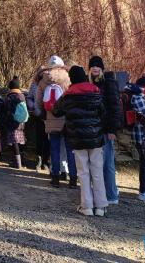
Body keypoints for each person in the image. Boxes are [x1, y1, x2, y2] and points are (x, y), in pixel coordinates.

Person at [53, 65, 108, 216]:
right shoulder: (95, 91)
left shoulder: (68, 95)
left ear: (71, 78)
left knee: (83, 172)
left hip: (77, 138)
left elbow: (56, 111)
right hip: (95, 138)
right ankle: (101, 207)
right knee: (97, 171)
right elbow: (103, 113)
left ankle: (87, 206)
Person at [35, 55, 77, 188]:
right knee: (70, 150)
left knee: (54, 149)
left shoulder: (43, 80)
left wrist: (43, 113)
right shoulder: (68, 78)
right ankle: (73, 179)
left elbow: (38, 101)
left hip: (51, 118)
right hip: (67, 119)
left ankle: (55, 178)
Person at [88, 55, 123, 205]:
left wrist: (112, 129)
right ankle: (99, 193)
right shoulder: (88, 83)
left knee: (108, 162)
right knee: (95, 163)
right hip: (94, 128)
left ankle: (111, 195)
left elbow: (115, 107)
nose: (95, 68)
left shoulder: (109, 82)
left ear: (102, 68)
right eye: (93, 66)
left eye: (98, 66)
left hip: (106, 128)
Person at [27, 66, 50, 171]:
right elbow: (29, 98)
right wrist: (33, 106)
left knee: (48, 140)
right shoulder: (34, 85)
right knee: (39, 138)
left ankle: (46, 160)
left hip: (49, 115)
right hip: (38, 115)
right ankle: (39, 159)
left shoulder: (50, 83)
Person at [5, 77, 27, 169]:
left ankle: (17, 163)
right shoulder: (22, 96)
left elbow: (7, 109)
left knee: (14, 142)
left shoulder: (10, 96)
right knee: (21, 142)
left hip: (12, 122)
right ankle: (22, 161)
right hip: (21, 123)